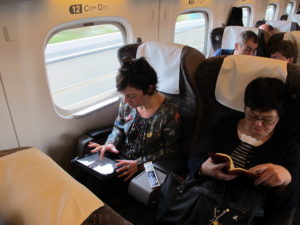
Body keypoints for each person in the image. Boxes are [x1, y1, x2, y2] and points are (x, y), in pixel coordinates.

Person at [187, 77, 300, 224]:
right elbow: (194, 157)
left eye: (267, 120)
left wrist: (285, 180)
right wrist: (203, 168)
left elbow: (289, 204)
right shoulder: (223, 124)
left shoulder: (288, 147)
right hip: (204, 201)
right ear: (245, 108)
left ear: (280, 116)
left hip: (246, 215)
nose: (258, 124)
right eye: (252, 116)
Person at [88, 56, 181, 182]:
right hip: (119, 157)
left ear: (149, 89)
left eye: (131, 96)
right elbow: (119, 126)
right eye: (123, 95)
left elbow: (171, 151)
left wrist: (139, 163)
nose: (125, 101)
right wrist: (111, 143)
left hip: (143, 168)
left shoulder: (170, 114)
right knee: (87, 174)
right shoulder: (127, 102)